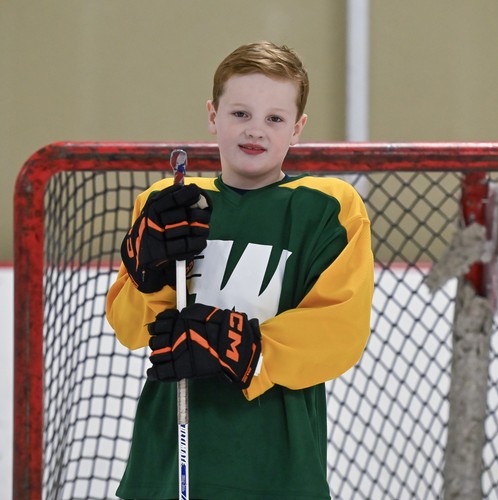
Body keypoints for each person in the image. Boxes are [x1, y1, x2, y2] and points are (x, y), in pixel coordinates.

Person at [106, 40, 374, 500]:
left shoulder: (329, 208)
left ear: (298, 128)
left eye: (275, 119)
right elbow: (129, 328)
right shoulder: (167, 204)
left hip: (276, 461)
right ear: (213, 115)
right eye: (240, 113)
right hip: (170, 451)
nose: (255, 130)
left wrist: (244, 348)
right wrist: (147, 271)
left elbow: (340, 330)